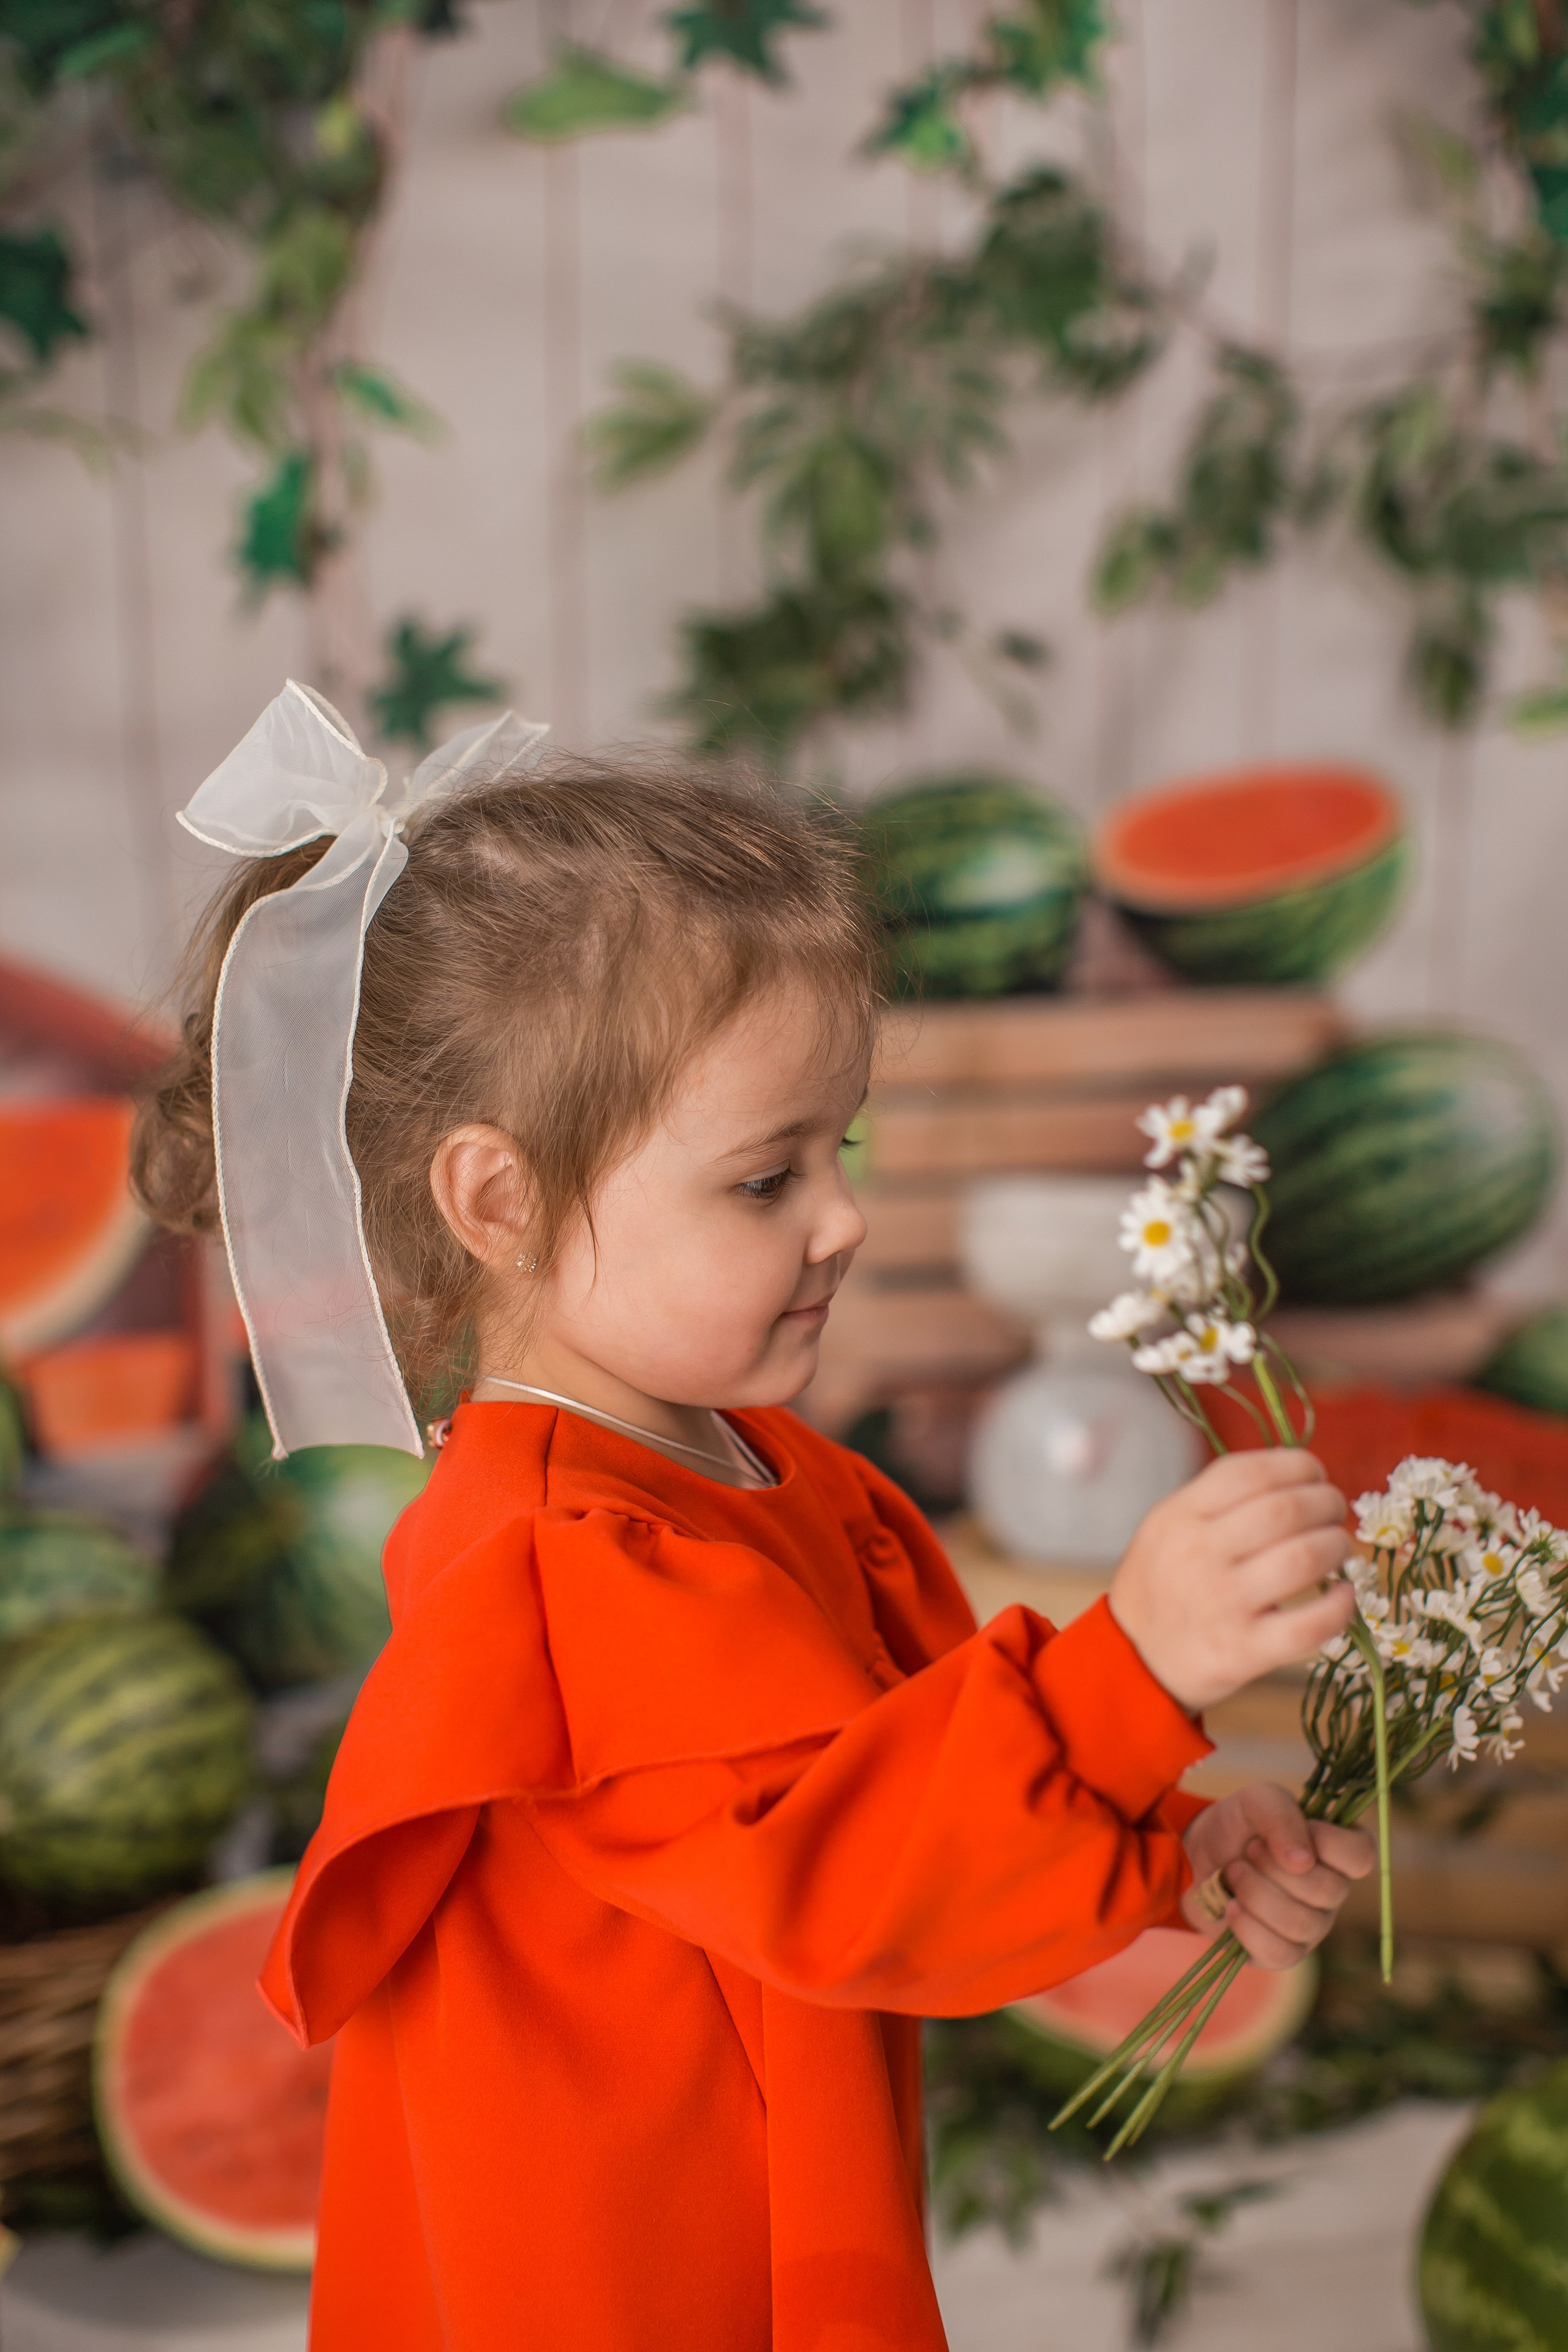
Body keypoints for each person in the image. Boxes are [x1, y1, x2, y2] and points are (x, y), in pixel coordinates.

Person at [134, 682, 1371, 2352]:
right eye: (767, 1178)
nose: (849, 1218)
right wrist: (1136, 1664)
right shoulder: (561, 1568)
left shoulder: (775, 1473)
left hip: (752, 2184)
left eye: (843, 1145)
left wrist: (1173, 1852)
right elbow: (850, 1873)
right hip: (626, 2266)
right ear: (502, 1203)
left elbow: (914, 1777)